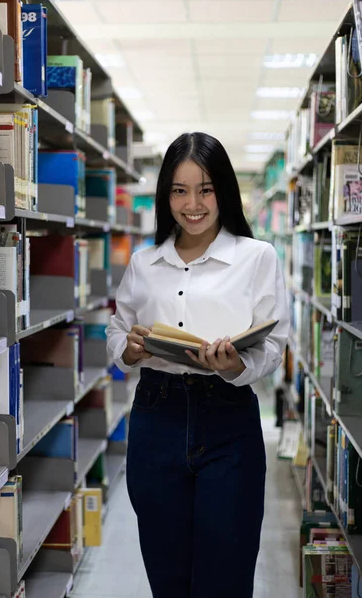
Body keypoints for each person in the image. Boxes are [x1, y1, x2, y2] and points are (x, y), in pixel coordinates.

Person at [106, 132, 289, 598]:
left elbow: (274, 346)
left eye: (205, 189)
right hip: (156, 417)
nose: (193, 204)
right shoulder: (144, 264)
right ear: (166, 194)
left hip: (229, 421)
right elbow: (116, 329)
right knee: (168, 576)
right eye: (180, 190)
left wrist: (233, 368)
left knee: (224, 577)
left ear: (223, 190)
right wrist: (128, 351)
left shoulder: (257, 257)